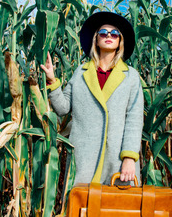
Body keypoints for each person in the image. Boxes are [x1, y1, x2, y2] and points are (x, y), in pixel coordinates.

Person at [40, 11, 144, 185]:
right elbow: (63, 108)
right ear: (96, 39)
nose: (109, 36)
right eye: (103, 33)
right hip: (84, 158)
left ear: (120, 42)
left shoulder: (131, 77)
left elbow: (134, 119)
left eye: (115, 33)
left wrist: (129, 157)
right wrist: (52, 80)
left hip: (118, 160)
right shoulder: (81, 73)